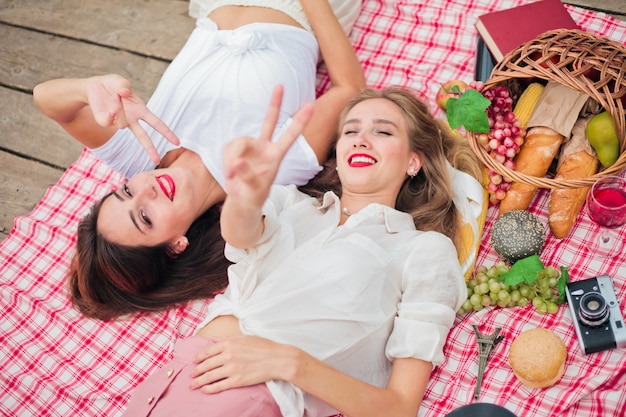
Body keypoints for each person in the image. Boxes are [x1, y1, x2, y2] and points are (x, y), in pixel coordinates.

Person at [119, 86, 484, 417]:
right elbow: (242, 233)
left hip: (249, 397)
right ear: (338, 154)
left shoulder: (422, 249)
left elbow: (398, 408)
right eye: (350, 130)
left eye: (383, 131)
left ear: (412, 162)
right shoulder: (288, 202)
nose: (360, 140)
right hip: (166, 383)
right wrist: (244, 194)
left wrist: (289, 362)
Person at [33, 0, 365, 320]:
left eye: (127, 193)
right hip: (304, 10)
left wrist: (88, 88)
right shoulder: (264, 170)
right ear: (176, 245)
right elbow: (348, 86)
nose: (146, 191)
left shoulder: (139, 150)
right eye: (145, 217)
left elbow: (47, 100)